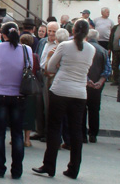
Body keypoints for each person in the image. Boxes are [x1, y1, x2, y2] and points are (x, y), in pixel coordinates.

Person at [33, 19, 94, 179]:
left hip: (60, 90)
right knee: (76, 131)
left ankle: (49, 165)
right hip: (80, 92)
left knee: (54, 128)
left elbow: (51, 67)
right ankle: (74, 168)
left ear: (73, 31)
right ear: (87, 32)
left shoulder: (64, 46)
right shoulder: (91, 49)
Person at [0, 23, 32, 179]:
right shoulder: (27, 50)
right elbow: (30, 68)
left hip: (0, 93)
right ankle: (17, 170)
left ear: (3, 34)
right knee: (17, 134)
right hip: (19, 95)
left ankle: (0, 168)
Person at [83, 29, 111, 143]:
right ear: (97, 38)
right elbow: (108, 69)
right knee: (94, 109)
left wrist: (87, 79)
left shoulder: (84, 49)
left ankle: (82, 134)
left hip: (84, 84)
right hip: (97, 86)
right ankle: (93, 134)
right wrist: (101, 81)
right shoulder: (103, 51)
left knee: (82, 110)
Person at [19, 34, 40, 148]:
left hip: (19, 85)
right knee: (29, 113)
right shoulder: (35, 56)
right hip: (31, 86)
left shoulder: (17, 53)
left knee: (17, 112)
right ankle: (27, 139)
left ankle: (16, 137)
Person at [108, 13, 120, 85]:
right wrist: (109, 48)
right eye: (118, 18)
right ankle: (116, 80)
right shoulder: (115, 27)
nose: (119, 20)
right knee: (115, 65)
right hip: (115, 49)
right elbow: (111, 38)